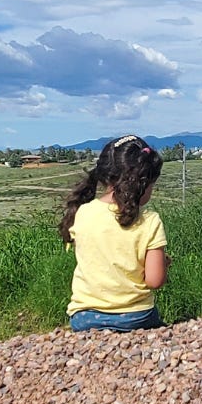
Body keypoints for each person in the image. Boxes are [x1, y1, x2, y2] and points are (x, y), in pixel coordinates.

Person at [59, 134, 170, 331]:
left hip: (84, 318)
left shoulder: (83, 213)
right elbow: (154, 281)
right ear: (144, 183)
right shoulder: (150, 221)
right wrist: (163, 264)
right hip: (136, 317)